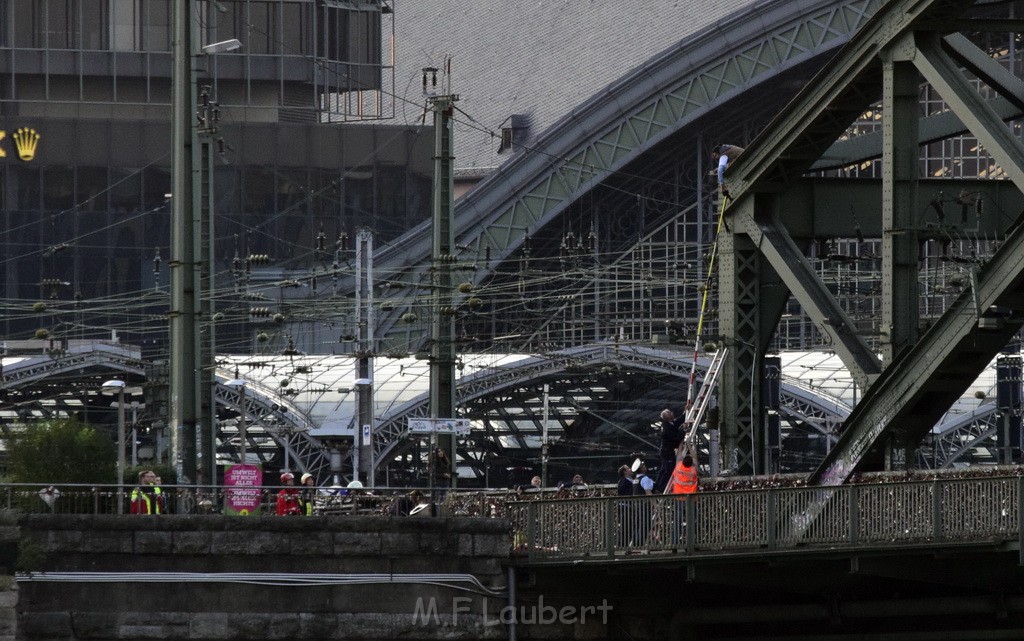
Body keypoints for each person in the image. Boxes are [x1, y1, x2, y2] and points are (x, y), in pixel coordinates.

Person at [654, 408, 686, 494]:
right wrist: (683, 431)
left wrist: (686, 412)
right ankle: (661, 488)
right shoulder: (666, 428)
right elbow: (675, 439)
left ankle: (657, 486)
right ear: (668, 416)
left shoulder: (670, 424)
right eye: (670, 413)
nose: (672, 413)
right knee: (668, 469)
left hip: (666, 451)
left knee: (663, 469)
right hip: (667, 451)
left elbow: (678, 421)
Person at [631, 460, 655, 547]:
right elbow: (648, 492)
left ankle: (635, 543)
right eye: (644, 466)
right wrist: (655, 505)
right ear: (642, 469)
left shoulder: (635, 480)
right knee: (645, 524)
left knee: (637, 524)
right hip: (644, 505)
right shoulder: (645, 479)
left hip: (636, 505)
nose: (645, 467)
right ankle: (640, 544)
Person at [616, 464, 634, 549]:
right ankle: (622, 544)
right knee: (625, 525)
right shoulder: (624, 481)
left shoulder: (626, 481)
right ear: (624, 472)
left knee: (627, 525)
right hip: (625, 507)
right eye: (628, 469)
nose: (630, 469)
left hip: (626, 506)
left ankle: (624, 543)